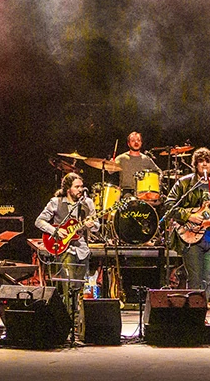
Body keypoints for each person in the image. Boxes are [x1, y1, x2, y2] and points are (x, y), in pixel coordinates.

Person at [164, 147, 210, 299]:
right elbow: (169, 205)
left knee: (208, 279)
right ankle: (193, 312)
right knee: (194, 279)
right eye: (201, 162)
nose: (204, 165)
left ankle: (202, 308)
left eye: (207, 162)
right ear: (195, 164)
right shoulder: (185, 183)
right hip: (191, 237)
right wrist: (190, 216)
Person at [35, 173, 100, 311]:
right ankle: (68, 316)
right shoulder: (56, 202)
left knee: (79, 286)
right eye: (77, 187)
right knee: (68, 285)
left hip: (82, 249)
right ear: (68, 189)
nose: (80, 189)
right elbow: (39, 221)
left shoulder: (87, 203)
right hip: (64, 248)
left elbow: (97, 226)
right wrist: (55, 231)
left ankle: (78, 317)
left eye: (82, 186)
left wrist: (91, 225)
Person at [113, 131, 161, 196]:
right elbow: (110, 170)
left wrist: (159, 180)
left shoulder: (146, 159)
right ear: (128, 144)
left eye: (138, 140)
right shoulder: (122, 158)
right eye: (133, 140)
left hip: (143, 192)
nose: (136, 142)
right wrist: (111, 163)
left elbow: (159, 172)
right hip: (126, 191)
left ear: (141, 143)